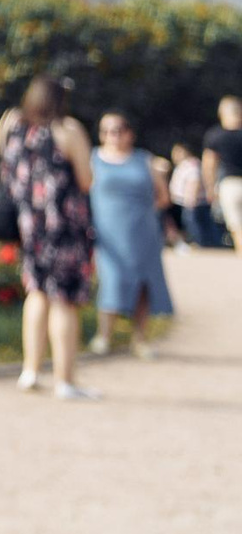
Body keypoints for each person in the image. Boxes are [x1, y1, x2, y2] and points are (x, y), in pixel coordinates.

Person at [0, 76, 98, 400]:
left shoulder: (11, 126)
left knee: (37, 293)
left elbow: (5, 165)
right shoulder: (66, 130)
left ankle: (30, 370)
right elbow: (85, 180)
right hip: (64, 226)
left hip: (29, 226)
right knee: (64, 300)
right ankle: (65, 379)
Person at [88, 112, 173, 357]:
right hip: (108, 232)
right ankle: (104, 336)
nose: (111, 136)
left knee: (143, 283)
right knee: (111, 279)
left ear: (129, 133)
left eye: (117, 130)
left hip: (142, 232)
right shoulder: (93, 159)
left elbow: (163, 196)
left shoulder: (143, 160)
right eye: (106, 131)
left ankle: (140, 339)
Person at [205, 96, 242, 250]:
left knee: (238, 228)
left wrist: (210, 187)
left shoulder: (215, 135)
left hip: (230, 185)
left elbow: (209, 165)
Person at [170, 146, 212, 250]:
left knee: (194, 226)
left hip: (191, 202)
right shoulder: (184, 165)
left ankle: (199, 245)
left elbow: (194, 180)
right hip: (183, 201)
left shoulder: (191, 165)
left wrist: (191, 199)